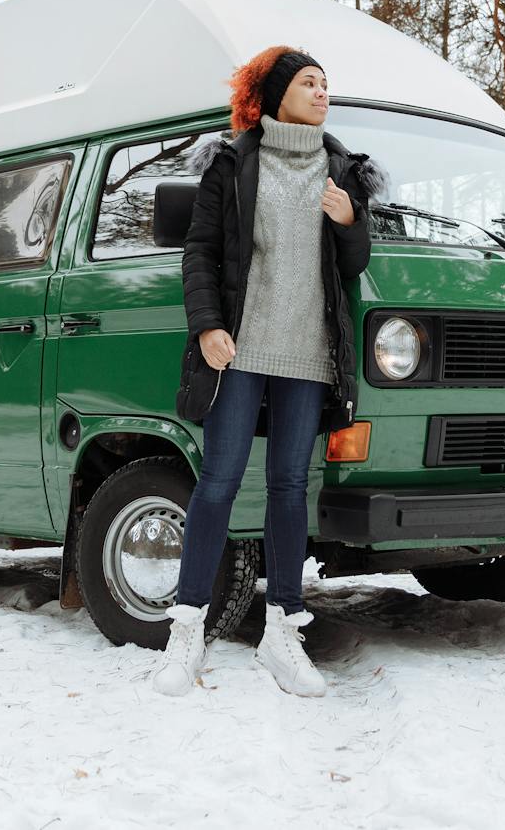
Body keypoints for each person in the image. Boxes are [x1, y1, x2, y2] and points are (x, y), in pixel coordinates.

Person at [150, 46, 379, 697]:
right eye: (310, 82)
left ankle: (282, 634)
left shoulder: (341, 168)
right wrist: (207, 324)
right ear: (278, 93)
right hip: (241, 348)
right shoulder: (233, 160)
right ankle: (186, 632)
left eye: (327, 83)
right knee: (217, 482)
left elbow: (354, 263)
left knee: (288, 487)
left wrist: (348, 220)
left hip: (307, 355)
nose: (322, 91)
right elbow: (198, 250)